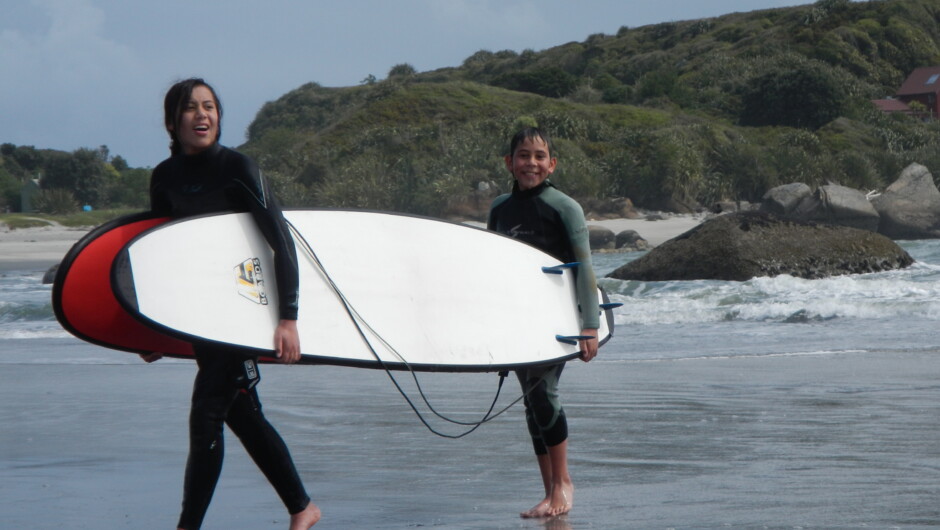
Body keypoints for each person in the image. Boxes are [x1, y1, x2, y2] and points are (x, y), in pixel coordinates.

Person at [140, 78, 321, 529]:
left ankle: (188, 526)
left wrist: (288, 319)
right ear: (171, 121)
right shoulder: (164, 178)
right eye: (190, 108)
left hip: (243, 309)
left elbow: (282, 242)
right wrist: (152, 328)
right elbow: (163, 256)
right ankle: (302, 508)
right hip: (202, 316)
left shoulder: (240, 168)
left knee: (207, 413)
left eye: (210, 107)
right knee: (241, 410)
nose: (202, 115)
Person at [487, 127, 600, 519]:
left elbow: (585, 268)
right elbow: (493, 271)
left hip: (557, 318)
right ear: (509, 162)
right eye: (522, 155)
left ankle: (562, 483)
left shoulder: (564, 207)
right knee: (531, 403)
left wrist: (590, 325)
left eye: (539, 156)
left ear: (552, 164)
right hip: (518, 319)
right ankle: (548, 490)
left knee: (543, 394)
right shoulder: (500, 209)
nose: (530, 163)